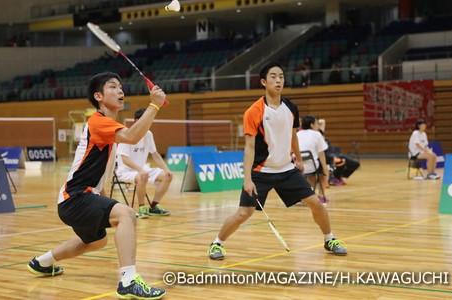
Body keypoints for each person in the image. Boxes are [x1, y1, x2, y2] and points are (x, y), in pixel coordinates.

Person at [27, 72, 167, 299]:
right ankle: (129, 281)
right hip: (75, 197)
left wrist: (104, 197)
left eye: (121, 87)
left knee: (96, 241)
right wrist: (154, 105)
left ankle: (42, 262)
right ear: (99, 96)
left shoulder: (109, 127)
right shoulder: (98, 121)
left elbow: (100, 172)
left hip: (77, 199)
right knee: (127, 215)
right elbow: (132, 136)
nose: (120, 90)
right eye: (113, 87)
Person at [207, 62, 347, 260]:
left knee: (316, 203)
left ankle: (329, 239)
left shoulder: (291, 107)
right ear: (264, 82)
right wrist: (247, 179)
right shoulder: (254, 112)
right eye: (273, 76)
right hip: (261, 172)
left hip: (287, 169)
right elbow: (249, 147)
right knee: (244, 213)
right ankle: (216, 244)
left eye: (281, 76)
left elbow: (293, 136)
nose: (278, 80)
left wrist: (298, 160)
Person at [116, 108, 173, 218]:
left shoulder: (148, 134)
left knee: (167, 176)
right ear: (137, 120)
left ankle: (154, 206)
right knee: (143, 175)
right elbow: (125, 160)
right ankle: (142, 208)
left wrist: (166, 169)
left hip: (142, 170)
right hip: (126, 172)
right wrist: (140, 170)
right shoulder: (126, 134)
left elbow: (155, 154)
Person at [297, 115, 330, 203]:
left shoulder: (297, 134)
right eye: (316, 124)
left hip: (298, 167)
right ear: (311, 125)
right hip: (311, 166)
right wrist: (325, 169)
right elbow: (321, 153)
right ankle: (321, 196)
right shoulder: (317, 134)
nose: (318, 126)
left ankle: (308, 196)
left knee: (312, 176)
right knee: (323, 174)